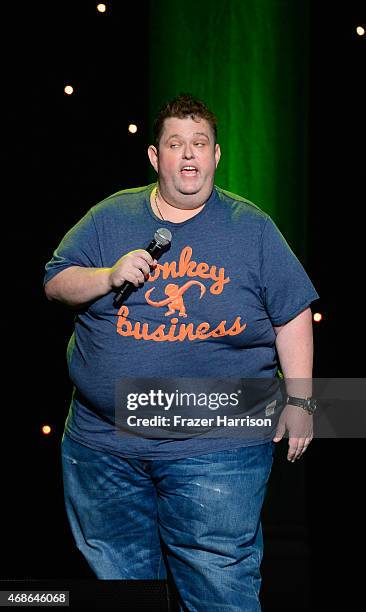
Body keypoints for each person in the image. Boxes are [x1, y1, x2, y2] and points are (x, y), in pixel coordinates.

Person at [44, 93, 319, 611]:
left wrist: (302, 402)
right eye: (176, 144)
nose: (189, 155)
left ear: (216, 156)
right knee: (122, 586)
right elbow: (56, 282)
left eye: (200, 144)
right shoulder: (109, 217)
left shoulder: (252, 228)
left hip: (220, 441)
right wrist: (106, 276)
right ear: (155, 157)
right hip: (104, 445)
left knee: (218, 584)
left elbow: (292, 313)